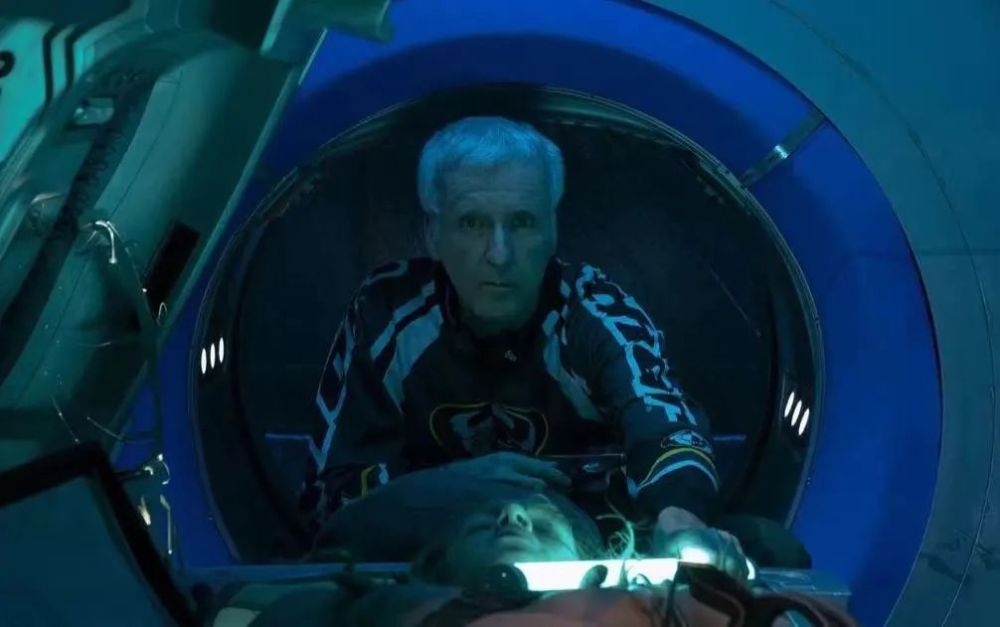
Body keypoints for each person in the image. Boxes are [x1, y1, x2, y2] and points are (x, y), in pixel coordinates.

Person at [299, 116, 748, 562]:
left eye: (522, 222)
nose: (499, 254)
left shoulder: (593, 312)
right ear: (432, 234)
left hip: (587, 549)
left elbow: (666, 431)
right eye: (472, 223)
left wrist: (680, 524)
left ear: (553, 230)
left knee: (762, 539)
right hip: (429, 555)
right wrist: (452, 487)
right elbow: (329, 498)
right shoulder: (388, 313)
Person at [247, 493, 854, 627]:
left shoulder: (673, 601)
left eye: (543, 523)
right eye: (482, 522)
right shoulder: (356, 611)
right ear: (436, 564)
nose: (512, 516)